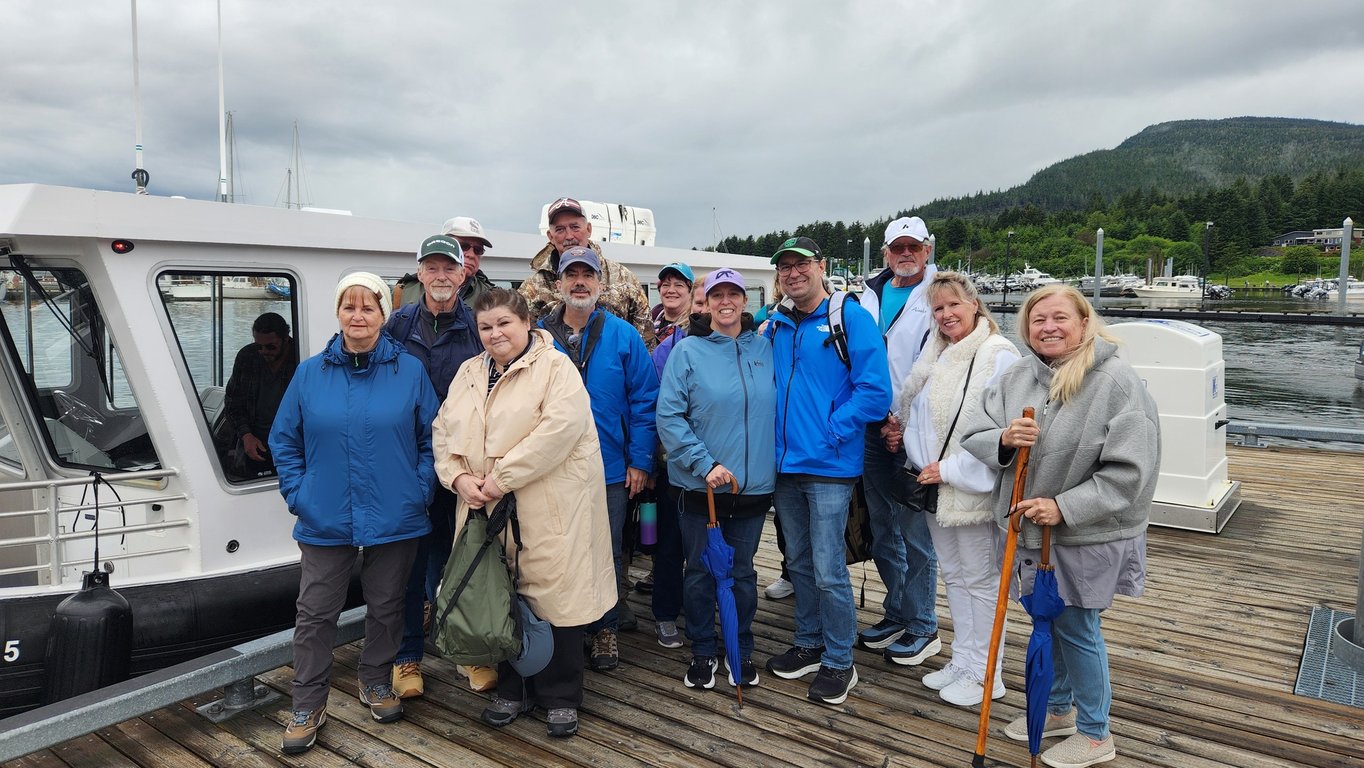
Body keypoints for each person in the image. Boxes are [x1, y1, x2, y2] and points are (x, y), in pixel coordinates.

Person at [961, 284, 1160, 768]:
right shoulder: (1016, 377)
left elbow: (1131, 472)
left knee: (1077, 626)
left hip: (1085, 532)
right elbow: (973, 432)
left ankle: (1096, 733)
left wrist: (1064, 506)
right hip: (1028, 531)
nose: (1047, 327)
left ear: (1084, 322)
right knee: (1048, 616)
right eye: (1037, 320)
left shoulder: (1116, 383)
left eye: (1059, 318)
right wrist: (1005, 438)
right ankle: (1057, 710)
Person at [434, 288, 615, 738]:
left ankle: (560, 694)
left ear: (526, 322)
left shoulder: (555, 368)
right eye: (486, 327)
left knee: (555, 600)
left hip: (549, 507)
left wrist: (501, 477)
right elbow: (443, 429)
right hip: (485, 508)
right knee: (499, 593)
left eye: (504, 324)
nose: (495, 334)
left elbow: (559, 430)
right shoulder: (469, 372)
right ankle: (513, 687)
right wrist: (457, 478)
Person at [270, 272, 438, 755]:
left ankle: (375, 680)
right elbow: (284, 438)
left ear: (385, 316)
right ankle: (307, 703)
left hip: (396, 512)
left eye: (369, 307)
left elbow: (433, 438)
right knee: (315, 613)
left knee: (387, 606)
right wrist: (299, 493)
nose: (358, 316)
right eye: (350, 307)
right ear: (338, 313)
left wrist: (419, 489)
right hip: (325, 514)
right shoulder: (309, 373)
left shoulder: (409, 371)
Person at [763, 237, 891, 706]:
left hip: (830, 465)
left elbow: (876, 392)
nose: (793, 273)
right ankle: (809, 641)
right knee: (797, 563)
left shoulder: (849, 318)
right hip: (783, 465)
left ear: (821, 267)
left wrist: (832, 429)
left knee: (829, 567)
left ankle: (840, 659)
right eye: (785, 268)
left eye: (801, 265)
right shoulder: (774, 324)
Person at [893, 272, 1019, 707]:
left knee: (981, 582)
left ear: (975, 306)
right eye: (938, 309)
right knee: (955, 578)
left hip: (969, 486)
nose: (946, 315)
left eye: (953, 306)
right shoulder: (938, 353)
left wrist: (949, 469)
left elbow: (997, 430)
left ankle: (988, 674)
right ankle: (965, 661)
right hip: (933, 485)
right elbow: (926, 416)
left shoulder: (995, 355)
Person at [538, 246, 659, 672]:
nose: (579, 282)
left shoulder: (624, 336)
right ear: (558, 285)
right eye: (571, 275)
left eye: (587, 275)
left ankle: (605, 629)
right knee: (555, 550)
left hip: (609, 467)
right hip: (550, 470)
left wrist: (640, 460)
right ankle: (561, 629)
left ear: (601, 284)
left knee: (607, 551)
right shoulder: (537, 337)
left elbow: (646, 400)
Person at [656, 267, 775, 691]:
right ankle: (704, 648)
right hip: (700, 486)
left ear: (745, 301)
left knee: (742, 572)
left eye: (734, 293)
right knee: (701, 571)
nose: (726, 301)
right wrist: (705, 464)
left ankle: (740, 645)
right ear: (705, 301)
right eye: (717, 293)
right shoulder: (688, 351)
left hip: (752, 487)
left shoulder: (766, 347)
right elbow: (668, 416)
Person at [384, 234, 489, 698]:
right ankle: (407, 659)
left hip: (464, 463)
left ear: (463, 272)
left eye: (449, 267)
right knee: (409, 565)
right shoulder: (395, 326)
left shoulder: (478, 327)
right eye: (432, 267)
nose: (441, 275)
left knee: (466, 558)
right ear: (420, 273)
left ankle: (468, 651)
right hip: (407, 462)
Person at [856, 216, 943, 664]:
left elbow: (940, 363)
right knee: (883, 528)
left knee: (914, 532)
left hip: (917, 430)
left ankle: (924, 625)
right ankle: (898, 609)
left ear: (926, 250)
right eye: (897, 248)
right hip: (873, 426)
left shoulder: (940, 295)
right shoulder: (867, 295)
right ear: (886, 253)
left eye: (913, 246)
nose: (905, 254)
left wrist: (902, 419)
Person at [638, 261, 695, 649]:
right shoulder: (652, 329)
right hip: (662, 459)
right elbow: (651, 402)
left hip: (702, 461)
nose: (671, 288)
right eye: (665, 282)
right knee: (660, 536)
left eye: (680, 283)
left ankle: (692, 603)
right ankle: (664, 608)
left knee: (698, 541)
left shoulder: (705, 334)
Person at [520, 197, 656, 348]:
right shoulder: (532, 289)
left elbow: (645, 343)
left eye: (575, 227)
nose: (569, 236)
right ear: (550, 236)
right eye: (560, 229)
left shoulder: (625, 279)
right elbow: (521, 341)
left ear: (589, 229)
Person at [222, 311, 297, 477]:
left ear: (286, 339)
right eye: (259, 346)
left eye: (271, 346)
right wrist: (246, 435)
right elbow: (233, 402)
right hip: (254, 443)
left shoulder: (301, 357)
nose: (263, 351)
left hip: (293, 445)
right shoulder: (247, 356)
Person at [442, 216, 498, 309]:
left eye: (478, 250)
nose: (471, 255)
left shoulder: (493, 298)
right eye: (463, 246)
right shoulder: (410, 290)